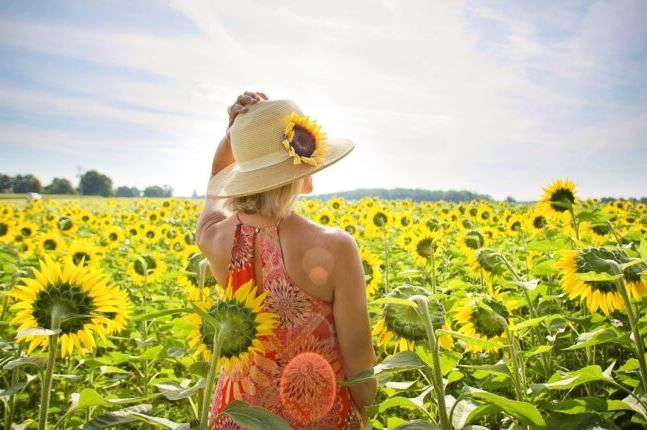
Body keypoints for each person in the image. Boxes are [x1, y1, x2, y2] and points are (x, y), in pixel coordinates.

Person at [195, 91, 377, 429]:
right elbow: (361, 369)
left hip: (237, 417)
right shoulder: (335, 247)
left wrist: (232, 138)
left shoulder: (216, 238)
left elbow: (212, 192)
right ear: (301, 172)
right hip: (318, 416)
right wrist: (365, 408)